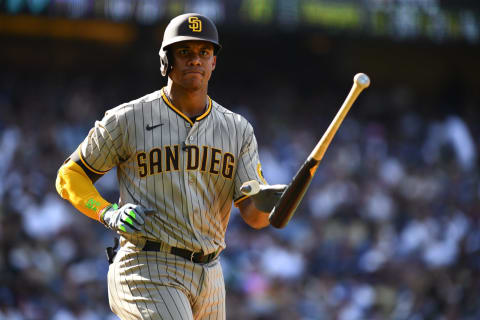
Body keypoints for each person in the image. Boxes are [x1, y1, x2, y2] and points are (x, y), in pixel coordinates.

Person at [55, 12, 286, 320]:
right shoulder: (128, 119)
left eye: (204, 52)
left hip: (211, 274)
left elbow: (254, 217)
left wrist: (277, 204)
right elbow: (69, 174)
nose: (195, 60)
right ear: (166, 61)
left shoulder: (238, 130)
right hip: (147, 263)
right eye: (185, 52)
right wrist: (107, 211)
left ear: (214, 62)